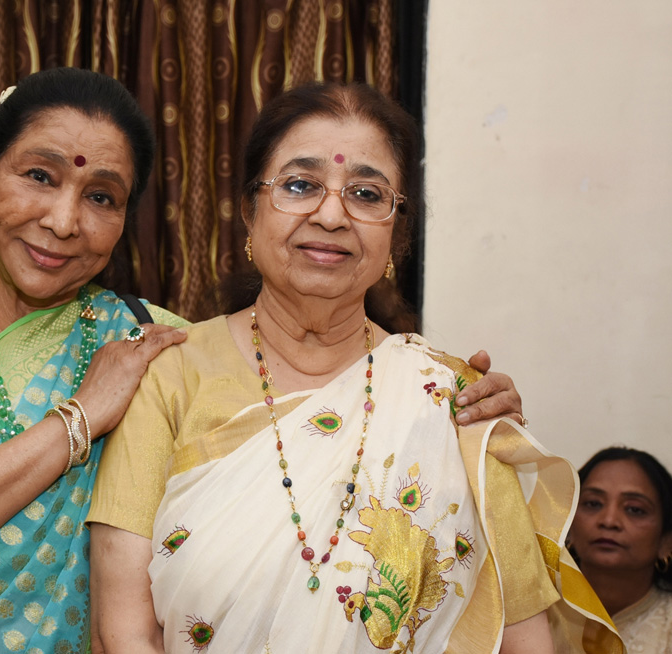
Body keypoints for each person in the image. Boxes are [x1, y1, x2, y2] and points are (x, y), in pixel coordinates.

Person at [0, 68, 523, 653]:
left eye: (101, 197)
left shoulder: (156, 347)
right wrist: (79, 418)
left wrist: (465, 411)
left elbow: (297, 357)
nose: (64, 220)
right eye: (38, 176)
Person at [87, 81, 623, 654]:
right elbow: (123, 630)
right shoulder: (169, 376)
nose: (331, 213)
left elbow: (522, 635)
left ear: (398, 229)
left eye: (367, 194)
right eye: (299, 185)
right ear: (248, 211)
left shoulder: (451, 398)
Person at [568, 447, 672, 653]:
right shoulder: (533, 613)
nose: (609, 521)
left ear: (666, 542)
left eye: (634, 509)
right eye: (593, 503)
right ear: (568, 526)